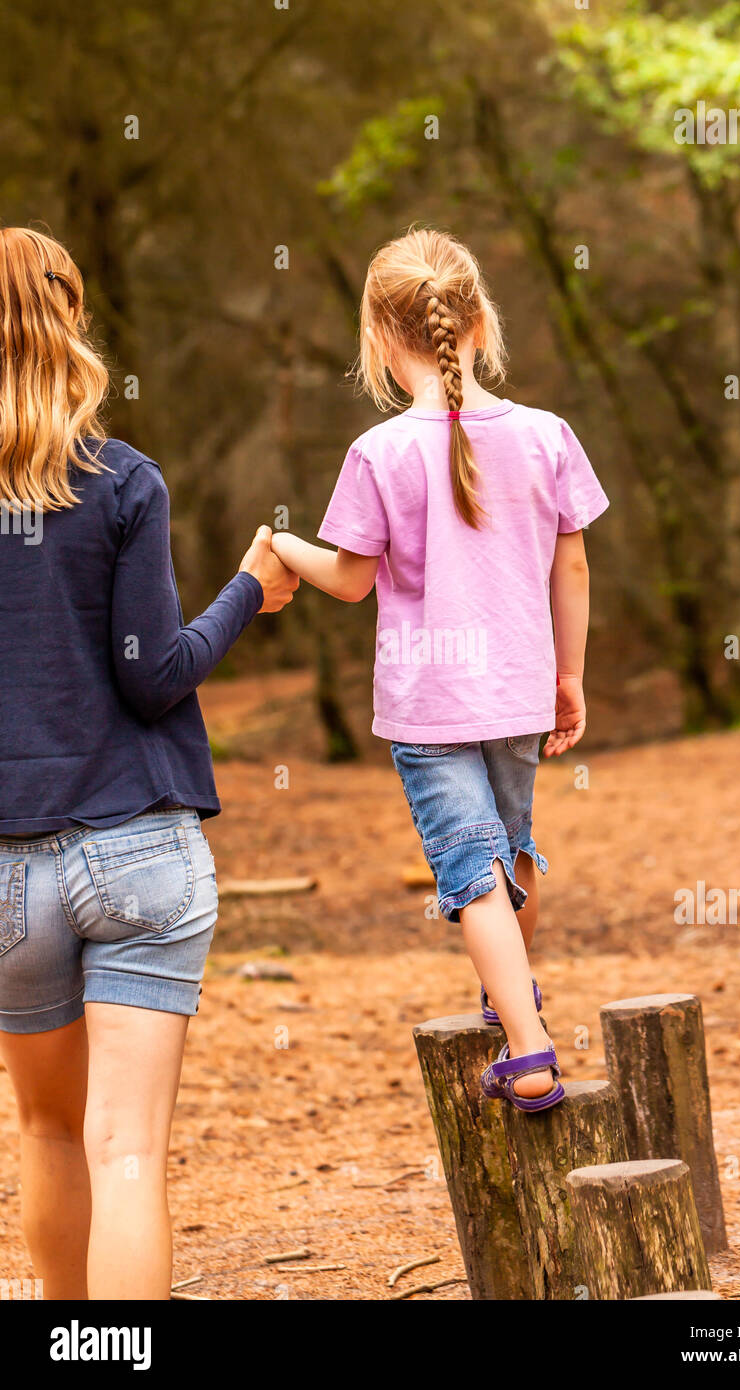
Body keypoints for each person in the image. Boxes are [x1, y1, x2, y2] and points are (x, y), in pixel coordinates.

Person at [0, 227, 298, 1300]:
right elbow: (152, 675)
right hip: (137, 850)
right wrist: (249, 592)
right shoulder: (121, 482)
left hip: (8, 874)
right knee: (125, 1151)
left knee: (43, 1128)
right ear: (72, 320)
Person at [270, 227, 609, 1112]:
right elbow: (570, 567)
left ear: (379, 337)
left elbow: (348, 581)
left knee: (468, 870)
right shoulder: (546, 434)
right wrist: (568, 676)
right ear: (481, 322)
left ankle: (530, 1052)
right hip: (519, 690)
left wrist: (280, 546)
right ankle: (517, 995)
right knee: (513, 850)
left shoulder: (378, 453)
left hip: (430, 704)